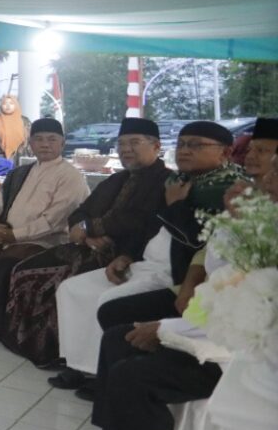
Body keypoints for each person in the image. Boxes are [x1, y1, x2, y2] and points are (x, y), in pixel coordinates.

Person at [76, 167, 278, 430]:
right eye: (271, 168)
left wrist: (167, 330)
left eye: (276, 170)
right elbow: (217, 281)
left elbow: (251, 314)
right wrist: (234, 221)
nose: (267, 175)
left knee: (134, 375)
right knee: (117, 339)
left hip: (244, 358)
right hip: (216, 330)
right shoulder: (259, 222)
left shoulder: (266, 236)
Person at [49, 120, 245, 394]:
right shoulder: (178, 181)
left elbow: (197, 241)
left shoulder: (228, 191)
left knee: (109, 301)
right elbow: (147, 226)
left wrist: (175, 204)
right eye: (182, 144)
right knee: (72, 289)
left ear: (225, 152)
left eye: (196, 145)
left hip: (176, 273)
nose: (185, 151)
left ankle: (101, 376)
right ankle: (78, 365)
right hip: (141, 260)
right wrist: (127, 255)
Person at [2, 117, 170, 366]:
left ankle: (55, 351)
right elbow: (80, 213)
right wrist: (84, 232)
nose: (126, 149)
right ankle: (42, 347)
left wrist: (89, 228)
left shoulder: (166, 181)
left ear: (156, 147)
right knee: (24, 270)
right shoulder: (117, 179)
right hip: (89, 247)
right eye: (122, 143)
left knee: (49, 281)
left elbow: (138, 221)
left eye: (134, 143)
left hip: (127, 254)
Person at [0, 119, 87, 333]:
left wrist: (13, 236)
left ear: (62, 144)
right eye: (39, 139)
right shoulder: (20, 172)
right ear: (31, 143)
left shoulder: (71, 176)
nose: (45, 144)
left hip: (46, 242)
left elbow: (53, 220)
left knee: (6, 264)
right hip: (6, 236)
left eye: (51, 139)